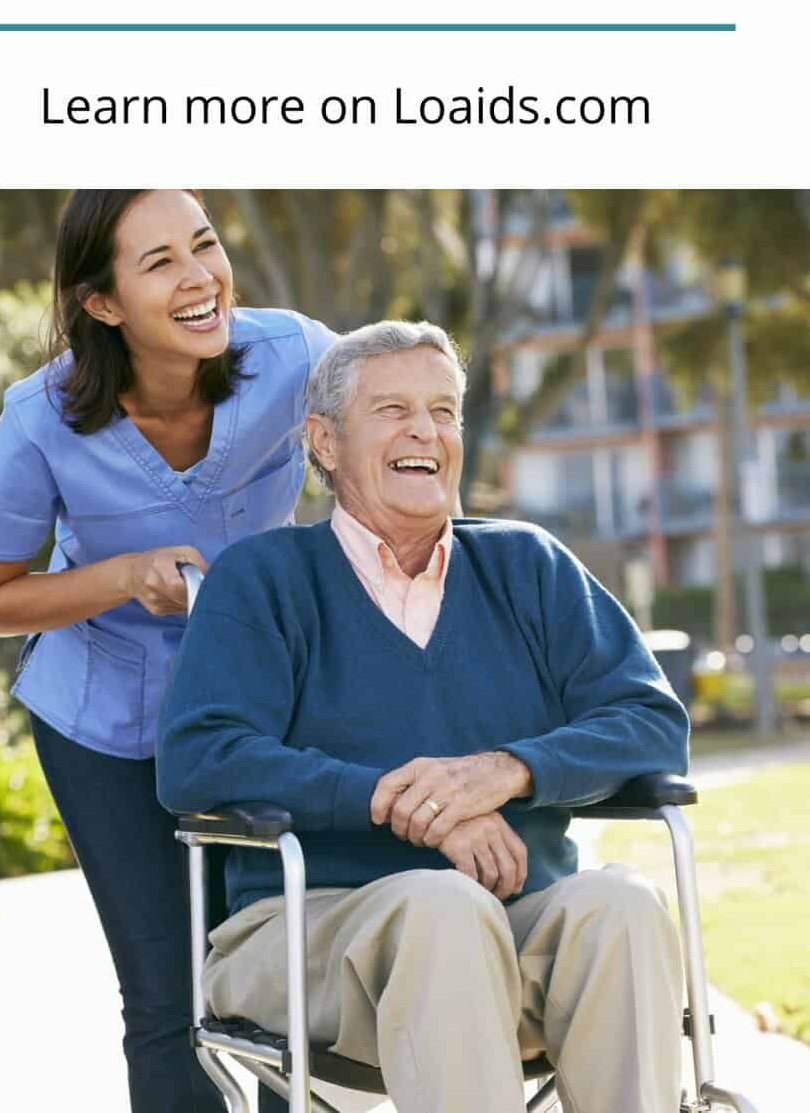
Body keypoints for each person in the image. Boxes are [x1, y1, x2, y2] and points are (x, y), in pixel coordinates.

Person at [157, 320, 690, 1113]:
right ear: (325, 444)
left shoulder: (527, 566)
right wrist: (406, 805)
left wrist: (503, 772)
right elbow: (200, 756)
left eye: (445, 411)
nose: (426, 432)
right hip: (307, 936)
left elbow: (650, 719)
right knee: (443, 907)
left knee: (622, 904)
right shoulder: (263, 580)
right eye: (394, 410)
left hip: (511, 930)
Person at [0, 189, 329, 1113]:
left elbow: (380, 451)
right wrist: (123, 576)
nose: (200, 278)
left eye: (204, 244)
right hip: (102, 726)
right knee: (166, 999)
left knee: (276, 978)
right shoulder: (40, 418)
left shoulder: (299, 358)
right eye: (159, 263)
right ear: (102, 303)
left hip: (254, 710)